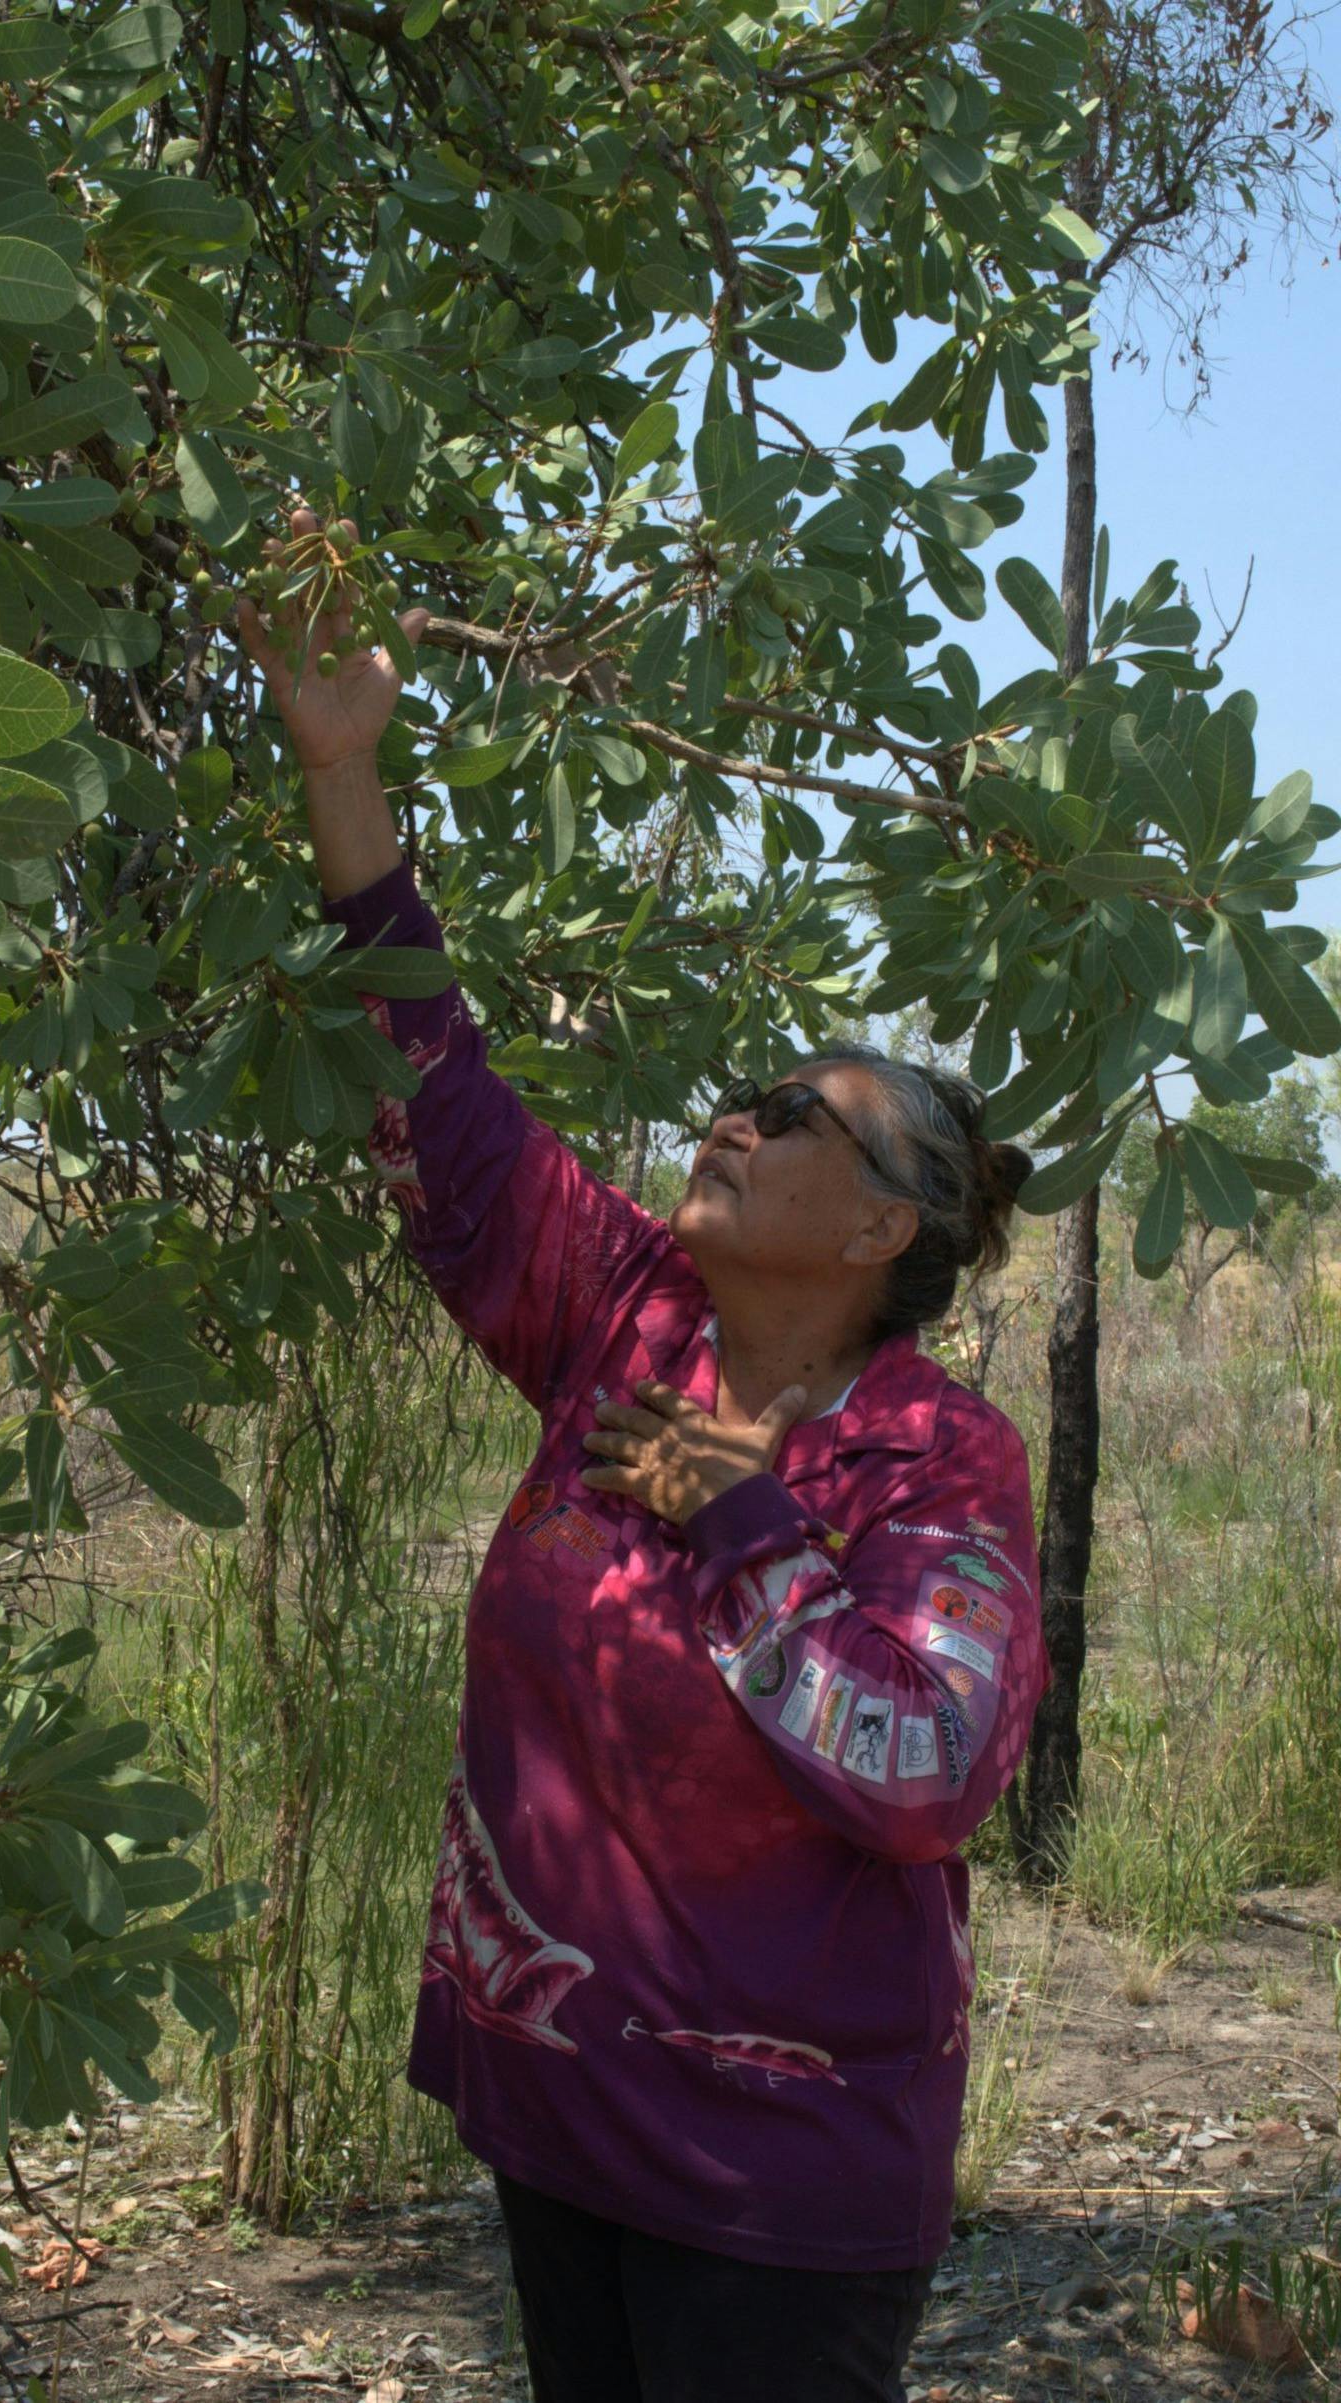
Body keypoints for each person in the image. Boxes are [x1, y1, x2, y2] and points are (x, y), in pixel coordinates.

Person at [238, 511, 1048, 2403]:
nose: (733, 1121)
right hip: (561, 2114)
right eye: (743, 1097)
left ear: (881, 1230)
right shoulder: (624, 1315)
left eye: (791, 1117)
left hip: (779, 2178)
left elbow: (926, 1772)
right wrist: (343, 774)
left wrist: (734, 1514)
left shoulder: (937, 1462)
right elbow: (438, 1100)